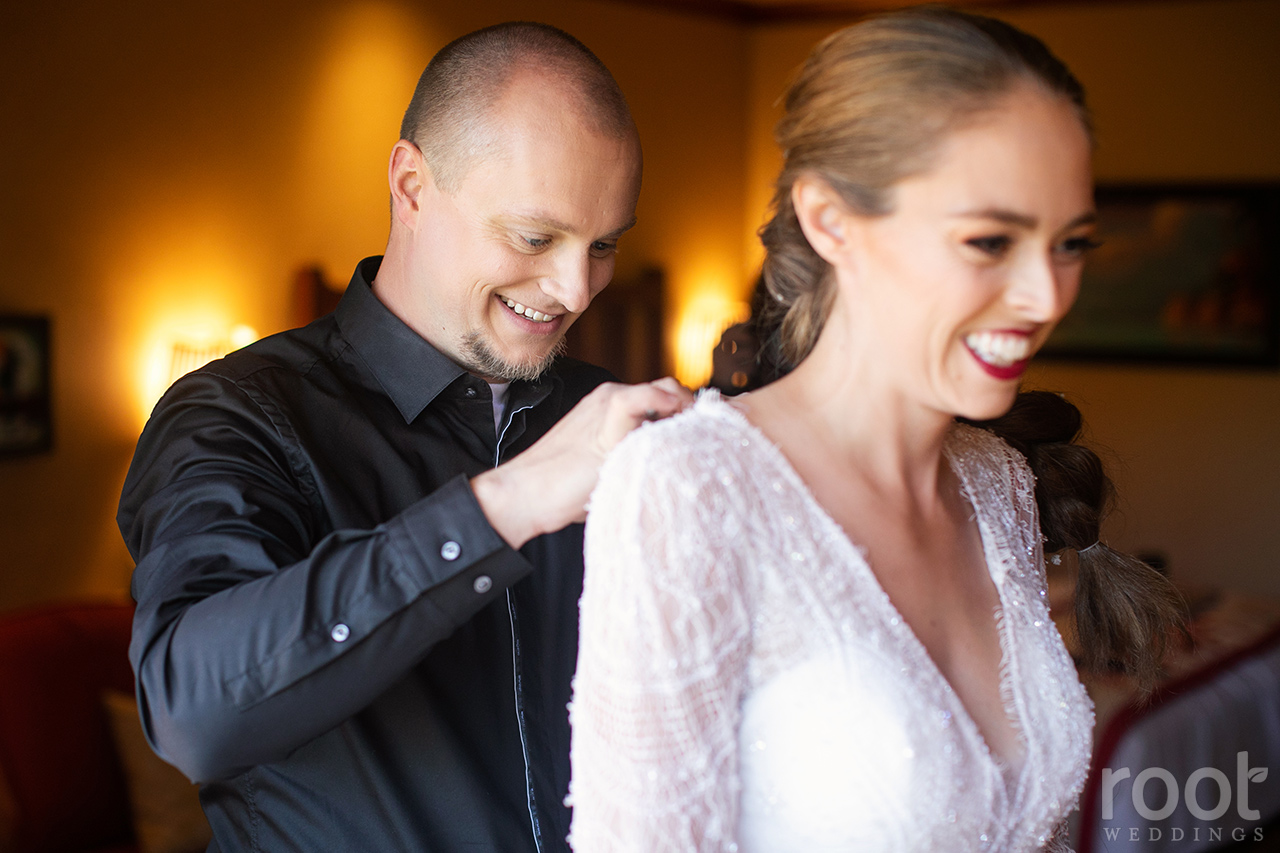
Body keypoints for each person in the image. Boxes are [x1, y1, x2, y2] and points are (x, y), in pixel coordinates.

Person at [567, 8, 1184, 852]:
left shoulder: (994, 481)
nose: (1046, 297)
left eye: (1070, 243)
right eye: (990, 239)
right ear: (832, 221)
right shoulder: (692, 486)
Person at [117, 22, 690, 853]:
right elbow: (193, 713)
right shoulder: (237, 414)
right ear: (413, 184)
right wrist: (507, 505)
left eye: (603, 245)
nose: (575, 288)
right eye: (535, 237)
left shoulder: (617, 417)